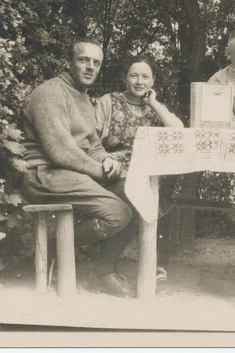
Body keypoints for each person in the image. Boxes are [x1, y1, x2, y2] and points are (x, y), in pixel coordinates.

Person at [20, 38, 136, 299]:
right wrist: (98, 171)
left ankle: (103, 273)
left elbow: (92, 145)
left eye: (96, 63)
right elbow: (60, 150)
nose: (90, 67)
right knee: (118, 214)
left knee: (136, 195)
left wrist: (107, 162)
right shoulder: (50, 93)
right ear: (68, 62)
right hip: (44, 174)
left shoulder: (84, 98)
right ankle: (50, 248)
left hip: (73, 172)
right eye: (84, 60)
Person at [95, 54, 183, 170]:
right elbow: (91, 140)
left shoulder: (157, 108)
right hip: (109, 171)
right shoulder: (107, 101)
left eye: (145, 77)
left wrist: (153, 104)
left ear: (152, 81)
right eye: (134, 76)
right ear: (125, 78)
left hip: (145, 174)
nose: (139, 82)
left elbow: (178, 131)